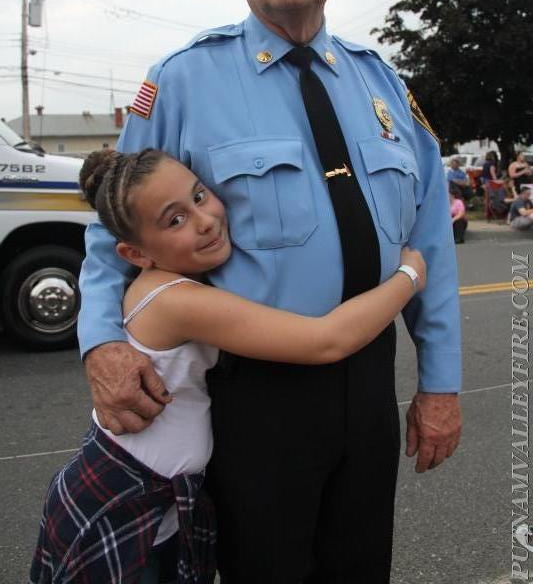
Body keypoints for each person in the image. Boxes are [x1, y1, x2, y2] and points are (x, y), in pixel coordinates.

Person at [77, 0, 462, 583]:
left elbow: (426, 239)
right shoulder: (183, 80)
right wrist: (102, 344)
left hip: (368, 390)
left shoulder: (382, 84)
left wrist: (439, 382)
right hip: (255, 397)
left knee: (360, 567)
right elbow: (112, 226)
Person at [30, 148, 426, 584]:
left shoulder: (176, 283)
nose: (203, 220)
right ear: (135, 253)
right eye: (174, 220)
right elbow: (326, 341)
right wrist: (408, 277)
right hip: (124, 497)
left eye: (199, 196)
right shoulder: (174, 301)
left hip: (157, 497)